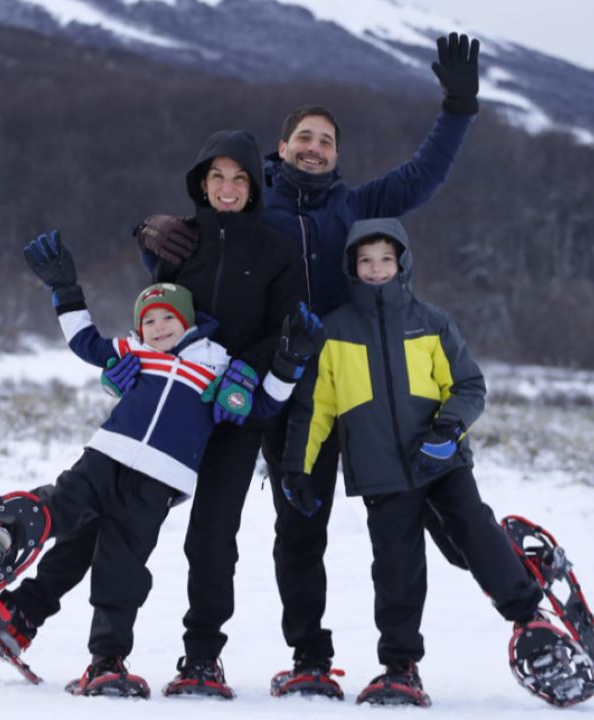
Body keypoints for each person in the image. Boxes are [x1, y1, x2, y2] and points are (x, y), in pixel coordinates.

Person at [137, 32, 484, 696]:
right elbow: (185, 244)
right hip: (243, 386)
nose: (315, 148)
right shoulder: (246, 198)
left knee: (305, 529)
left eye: (327, 141)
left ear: (336, 156)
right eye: (306, 137)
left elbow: (424, 175)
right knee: (216, 525)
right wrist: (148, 236)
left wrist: (458, 108)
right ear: (284, 142)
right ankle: (202, 655)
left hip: (323, 394)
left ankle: (310, 659)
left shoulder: (353, 208)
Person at [0, 130, 309, 700]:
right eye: (216, 177)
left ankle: (202, 657)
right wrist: (122, 369)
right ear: (201, 183)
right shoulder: (181, 241)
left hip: (232, 411)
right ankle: (24, 613)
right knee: (98, 519)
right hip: (168, 417)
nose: (227, 188)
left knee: (212, 537)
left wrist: (246, 370)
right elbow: (155, 319)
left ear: (253, 187)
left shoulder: (277, 250)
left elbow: (286, 329)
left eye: (239, 178)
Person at [281, 218, 544, 707]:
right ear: (351, 267)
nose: (376, 269)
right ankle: (400, 666)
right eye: (365, 260)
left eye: (385, 259)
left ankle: (530, 613)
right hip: (381, 473)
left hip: (440, 461)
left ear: (402, 263)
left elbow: (468, 386)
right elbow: (315, 410)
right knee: (396, 568)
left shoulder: (431, 321)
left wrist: (447, 432)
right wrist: (297, 467)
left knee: (472, 530)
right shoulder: (334, 330)